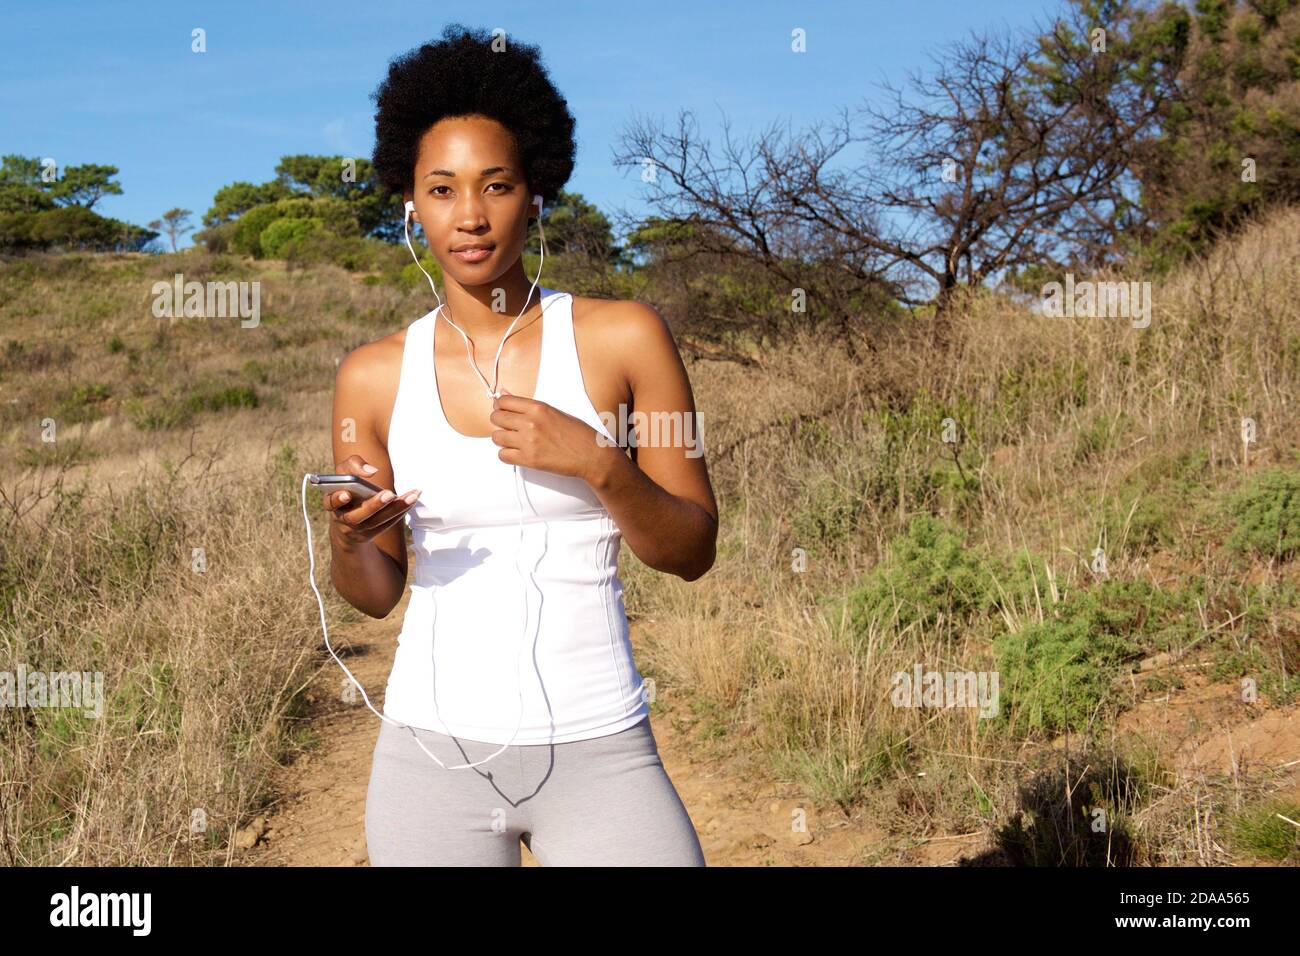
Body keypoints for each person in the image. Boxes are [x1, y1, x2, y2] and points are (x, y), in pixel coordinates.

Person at [324, 24, 718, 866]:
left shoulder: (624, 339)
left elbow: (691, 548)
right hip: (428, 760)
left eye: (495, 185)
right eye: (441, 189)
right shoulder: (371, 377)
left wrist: (602, 465)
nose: (469, 216)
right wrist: (350, 540)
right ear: (410, 202)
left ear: (536, 192)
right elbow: (373, 595)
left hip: (602, 750)